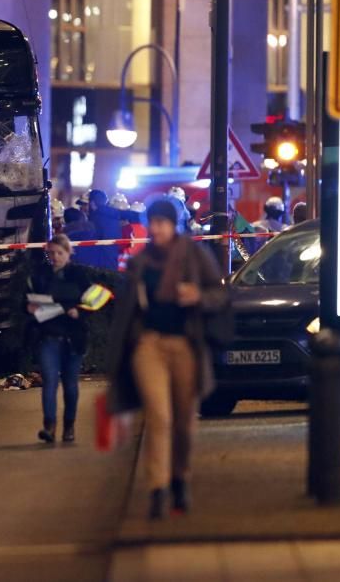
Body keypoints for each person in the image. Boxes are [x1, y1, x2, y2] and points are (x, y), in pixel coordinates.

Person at [105, 200, 229, 520]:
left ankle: (180, 478)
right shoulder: (140, 262)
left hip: (185, 345)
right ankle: (157, 488)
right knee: (160, 417)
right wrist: (119, 354)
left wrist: (199, 296)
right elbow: (126, 311)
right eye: (153, 222)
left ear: (174, 225)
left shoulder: (193, 254)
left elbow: (220, 293)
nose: (157, 228)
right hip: (149, 346)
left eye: (163, 222)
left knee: (185, 420)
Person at [26, 235, 89, 443]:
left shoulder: (79, 275)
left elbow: (91, 302)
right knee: (50, 382)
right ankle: (50, 426)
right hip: (49, 335)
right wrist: (29, 308)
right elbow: (25, 299)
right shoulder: (39, 276)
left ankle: (69, 426)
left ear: (69, 253)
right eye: (51, 253)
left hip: (72, 337)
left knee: (70, 384)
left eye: (59, 253)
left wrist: (79, 312)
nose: (54, 257)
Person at [79, 189, 138, 270]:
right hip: (112, 264)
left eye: (87, 204)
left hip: (96, 266)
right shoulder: (114, 218)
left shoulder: (95, 219)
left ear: (92, 204)